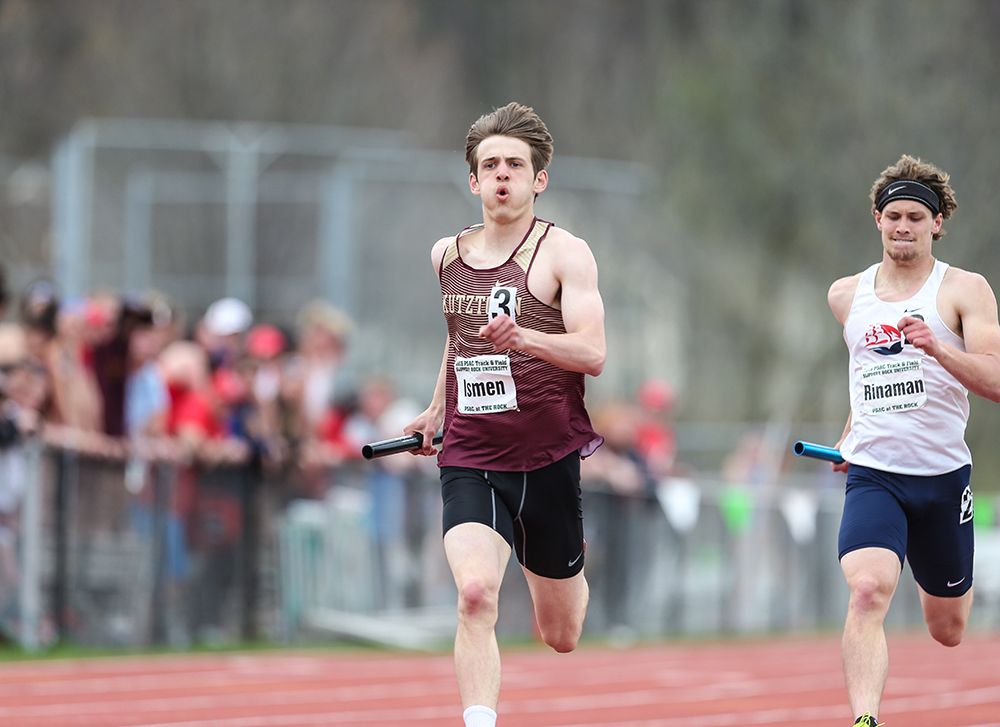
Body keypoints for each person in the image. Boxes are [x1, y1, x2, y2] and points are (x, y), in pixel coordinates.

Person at [405, 102, 606, 727]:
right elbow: (458, 338)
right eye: (489, 165)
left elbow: (593, 353)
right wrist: (435, 408)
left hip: (548, 458)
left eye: (514, 166)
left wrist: (525, 340)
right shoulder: (446, 254)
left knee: (561, 632)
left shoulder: (563, 253)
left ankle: (563, 566)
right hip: (472, 455)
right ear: (471, 179)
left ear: (538, 178)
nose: (501, 176)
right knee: (474, 596)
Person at [827, 155, 1000, 727]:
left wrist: (938, 349)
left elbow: (995, 380)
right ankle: (865, 719)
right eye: (893, 216)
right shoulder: (846, 295)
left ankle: (945, 591)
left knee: (947, 629)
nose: (903, 226)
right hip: (874, 476)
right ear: (877, 219)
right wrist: (850, 434)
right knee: (868, 592)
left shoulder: (965, 289)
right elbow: (867, 377)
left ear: (937, 223)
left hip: (944, 479)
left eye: (916, 217)